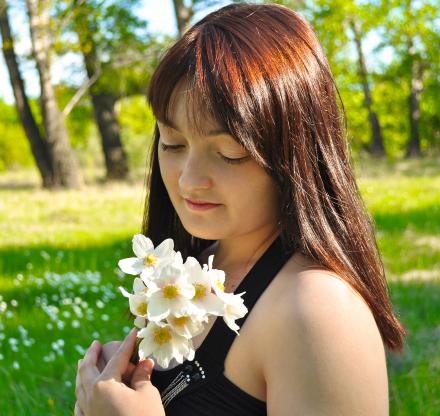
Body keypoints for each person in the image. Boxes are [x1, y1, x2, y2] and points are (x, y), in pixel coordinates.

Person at [75, 3, 406, 415]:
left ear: (295, 154)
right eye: (172, 144)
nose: (188, 180)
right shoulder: (196, 267)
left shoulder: (317, 313)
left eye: (230, 153)